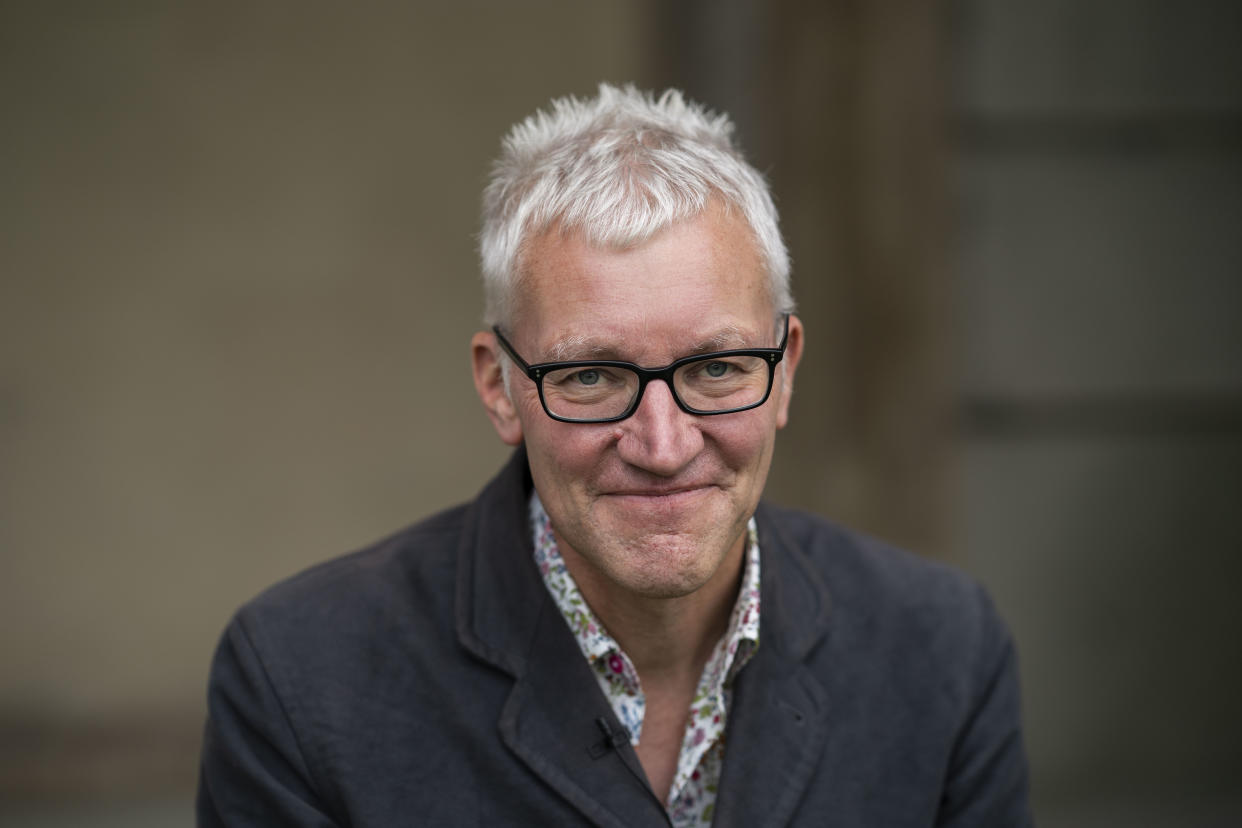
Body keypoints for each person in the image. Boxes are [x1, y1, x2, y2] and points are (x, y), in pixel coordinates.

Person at [197, 84, 1032, 827]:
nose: (664, 447)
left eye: (715, 369)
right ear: (500, 387)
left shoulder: (944, 652)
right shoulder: (300, 682)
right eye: (592, 375)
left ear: (785, 375)